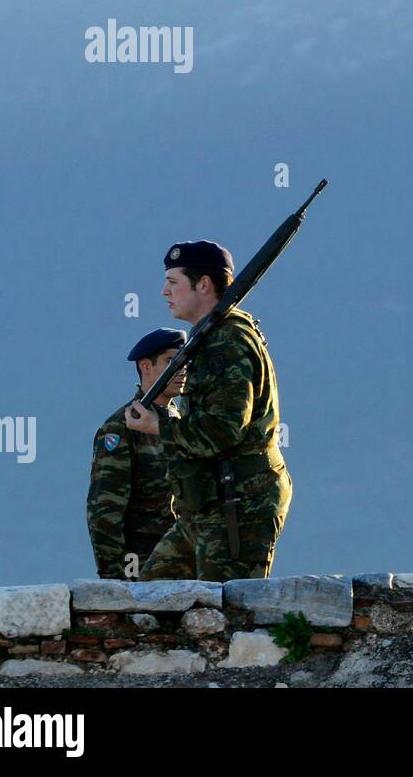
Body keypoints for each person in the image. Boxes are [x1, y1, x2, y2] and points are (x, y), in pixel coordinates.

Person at [129, 240, 293, 581]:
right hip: (207, 502)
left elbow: (223, 430)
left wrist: (158, 426)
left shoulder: (226, 342)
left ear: (203, 284)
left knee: (230, 612)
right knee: (151, 598)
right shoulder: (209, 336)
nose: (164, 292)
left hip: (239, 503)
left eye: (174, 282)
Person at [86, 328, 186, 579]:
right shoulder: (122, 427)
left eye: (185, 360)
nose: (182, 369)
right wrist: (116, 578)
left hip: (183, 555)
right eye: (171, 361)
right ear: (146, 366)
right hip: (142, 561)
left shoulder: (182, 423)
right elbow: (105, 510)